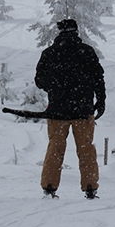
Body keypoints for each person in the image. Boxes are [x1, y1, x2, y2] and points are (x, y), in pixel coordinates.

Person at [35, 19, 106, 200]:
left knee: (55, 148)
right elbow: (98, 78)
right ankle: (90, 188)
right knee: (86, 149)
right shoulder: (87, 52)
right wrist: (101, 100)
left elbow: (39, 81)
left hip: (57, 111)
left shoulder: (50, 53)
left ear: (59, 32)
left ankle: (49, 188)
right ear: (76, 32)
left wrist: (56, 85)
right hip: (82, 110)